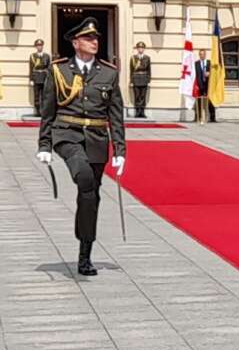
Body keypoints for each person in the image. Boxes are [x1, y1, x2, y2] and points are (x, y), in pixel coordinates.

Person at [35, 17, 126, 276]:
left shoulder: (109, 72)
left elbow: (116, 115)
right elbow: (48, 109)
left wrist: (120, 150)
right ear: (76, 43)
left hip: (97, 138)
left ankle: (85, 253)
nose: (94, 42)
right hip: (67, 134)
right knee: (84, 177)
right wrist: (44, 143)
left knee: (91, 196)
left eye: (96, 38)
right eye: (88, 38)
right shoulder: (59, 70)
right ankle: (84, 248)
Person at [128, 41, 151, 118]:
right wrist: (131, 81)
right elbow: (131, 70)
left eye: (142, 48)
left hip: (144, 78)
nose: (140, 49)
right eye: (139, 48)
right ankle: (137, 112)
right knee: (137, 96)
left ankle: (142, 112)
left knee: (143, 96)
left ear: (144, 49)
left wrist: (148, 80)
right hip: (136, 79)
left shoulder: (147, 58)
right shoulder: (133, 58)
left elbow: (148, 69)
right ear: (137, 49)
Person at [29, 38, 52, 112]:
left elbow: (49, 68)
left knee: (44, 95)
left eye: (41, 45)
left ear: (42, 46)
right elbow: (31, 68)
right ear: (36, 46)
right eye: (38, 45)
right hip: (36, 78)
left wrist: (49, 78)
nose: (39, 47)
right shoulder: (33, 56)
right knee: (36, 96)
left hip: (44, 77)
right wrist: (31, 79)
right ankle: (37, 111)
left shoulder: (47, 56)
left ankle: (43, 111)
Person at [195, 48, 216, 123]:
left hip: (208, 86)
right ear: (199, 55)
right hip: (200, 85)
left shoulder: (209, 63)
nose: (202, 56)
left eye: (203, 54)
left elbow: (214, 73)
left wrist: (210, 74)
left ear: (205, 54)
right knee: (199, 102)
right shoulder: (196, 63)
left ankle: (212, 117)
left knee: (210, 102)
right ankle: (198, 117)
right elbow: (195, 75)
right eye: (200, 54)